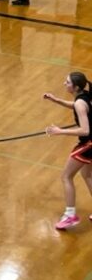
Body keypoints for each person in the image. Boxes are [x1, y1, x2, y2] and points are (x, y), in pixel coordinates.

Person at [43, 72, 92, 230]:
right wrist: (56, 100)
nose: (65, 84)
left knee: (66, 176)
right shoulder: (85, 95)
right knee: (87, 175)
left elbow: (85, 130)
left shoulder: (80, 104)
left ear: (76, 87)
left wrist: (59, 131)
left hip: (88, 143)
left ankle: (70, 215)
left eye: (68, 82)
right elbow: (76, 105)